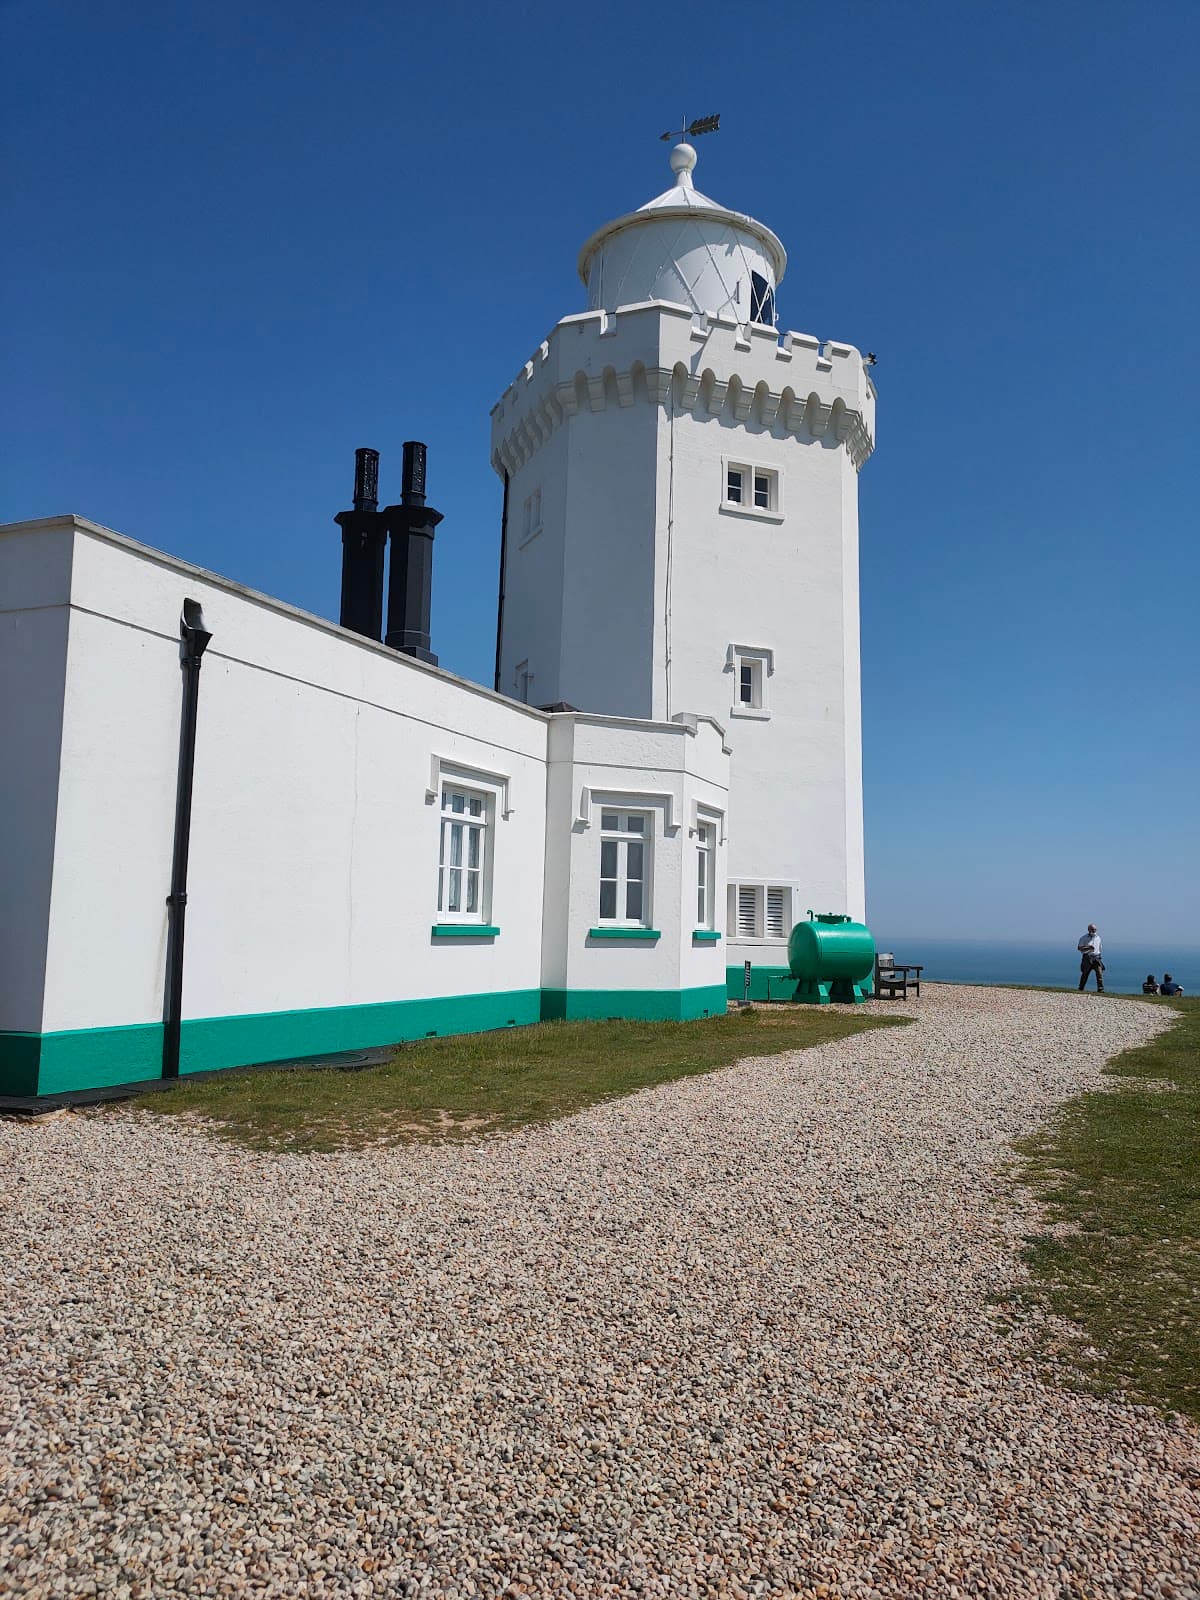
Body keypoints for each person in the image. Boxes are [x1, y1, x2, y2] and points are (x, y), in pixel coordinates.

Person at [1077, 924, 1104, 992]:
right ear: (1088, 930)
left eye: (1094, 929)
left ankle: (1100, 989)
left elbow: (1100, 948)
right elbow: (1079, 948)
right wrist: (1088, 947)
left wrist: (1099, 955)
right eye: (1092, 929)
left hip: (1096, 957)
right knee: (1085, 974)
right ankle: (1081, 988)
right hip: (1087, 957)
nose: (1093, 931)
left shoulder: (1098, 938)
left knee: (1099, 974)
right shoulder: (1083, 938)